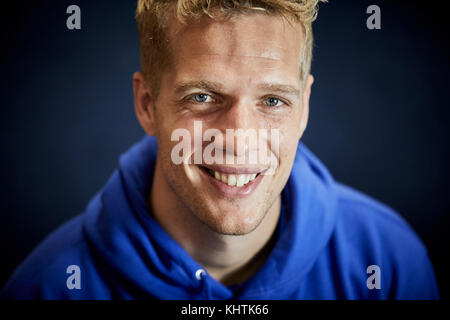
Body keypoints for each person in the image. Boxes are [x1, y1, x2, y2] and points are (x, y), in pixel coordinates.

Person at [1, 0, 439, 299]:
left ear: (303, 108)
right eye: (203, 97)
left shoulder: (388, 261)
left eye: (272, 101)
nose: (239, 137)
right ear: (147, 105)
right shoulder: (49, 286)